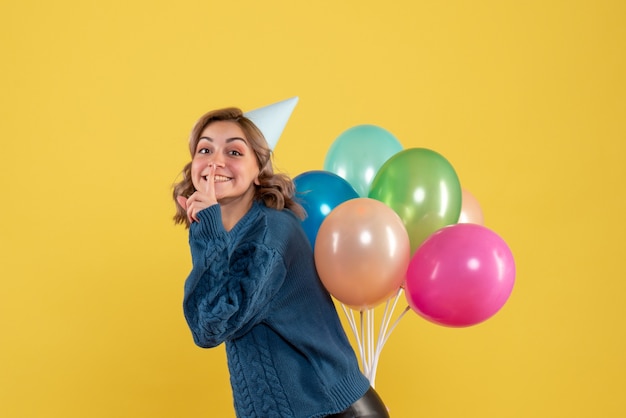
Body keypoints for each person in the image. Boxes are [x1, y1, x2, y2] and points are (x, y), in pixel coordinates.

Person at [172, 107, 390, 418]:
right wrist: (210, 230)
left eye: (234, 151)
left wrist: (207, 230)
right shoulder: (234, 230)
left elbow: (210, 327)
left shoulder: (270, 233)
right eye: (205, 149)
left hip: (333, 410)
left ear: (259, 169)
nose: (216, 161)